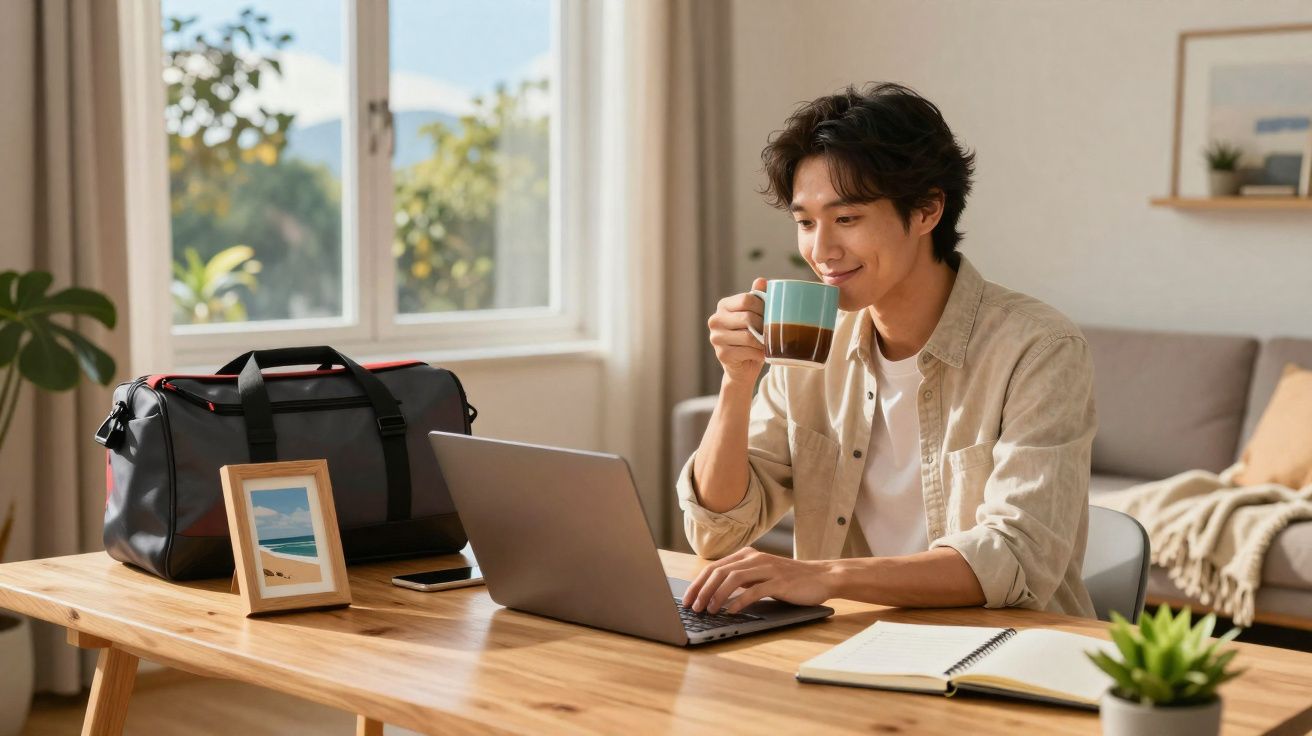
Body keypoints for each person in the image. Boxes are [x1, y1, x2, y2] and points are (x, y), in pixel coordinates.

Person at [676, 82, 1097, 619]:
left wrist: (824, 576)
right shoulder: (812, 345)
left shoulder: (1039, 348)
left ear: (926, 211)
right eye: (805, 223)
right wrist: (737, 380)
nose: (821, 251)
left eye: (846, 219)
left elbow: (1017, 557)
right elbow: (716, 531)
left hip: (1003, 646)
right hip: (854, 640)